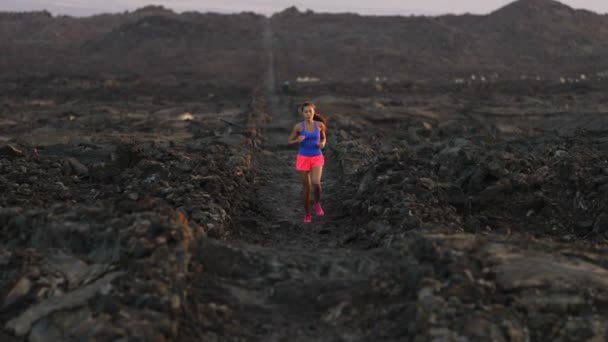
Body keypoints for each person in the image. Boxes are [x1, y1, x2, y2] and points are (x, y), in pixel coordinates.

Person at [287, 101, 327, 223]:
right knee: (307, 188)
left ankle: (317, 203)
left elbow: (324, 138)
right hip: (303, 158)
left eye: (310, 111)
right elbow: (289, 141)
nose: (308, 113)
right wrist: (297, 140)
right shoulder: (298, 127)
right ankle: (307, 214)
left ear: (313, 112)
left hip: (316, 156)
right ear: (302, 113)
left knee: (316, 183)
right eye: (305, 112)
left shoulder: (320, 125)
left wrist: (322, 144)